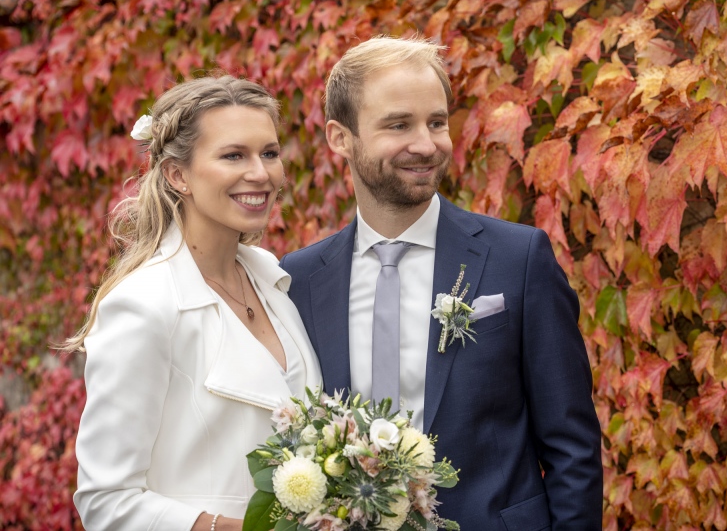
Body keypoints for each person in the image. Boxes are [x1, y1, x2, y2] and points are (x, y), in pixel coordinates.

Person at [280, 36, 602, 530]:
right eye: (398, 124)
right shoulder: (299, 280)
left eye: (436, 122)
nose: (426, 145)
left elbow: (572, 446)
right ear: (339, 137)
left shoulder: (519, 258)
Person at [65, 76, 322, 531]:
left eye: (269, 153)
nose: (261, 173)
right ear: (177, 174)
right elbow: (107, 503)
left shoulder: (273, 279)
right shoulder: (144, 306)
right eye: (233, 155)